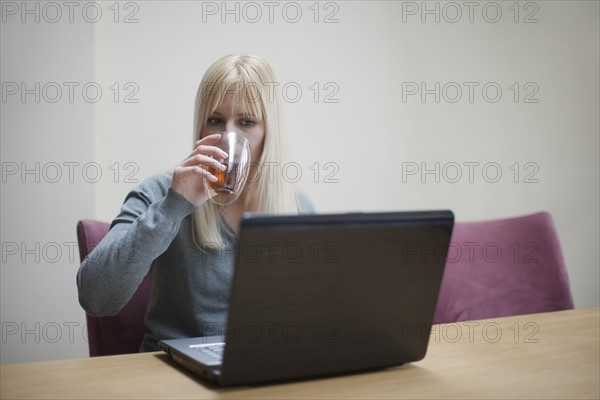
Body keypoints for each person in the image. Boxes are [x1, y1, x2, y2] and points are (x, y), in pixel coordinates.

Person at [76, 54, 312, 352]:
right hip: (175, 373)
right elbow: (96, 296)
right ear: (200, 128)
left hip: (260, 368)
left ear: (269, 133)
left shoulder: (298, 208)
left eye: (246, 121)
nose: (228, 136)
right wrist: (174, 206)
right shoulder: (161, 193)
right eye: (215, 120)